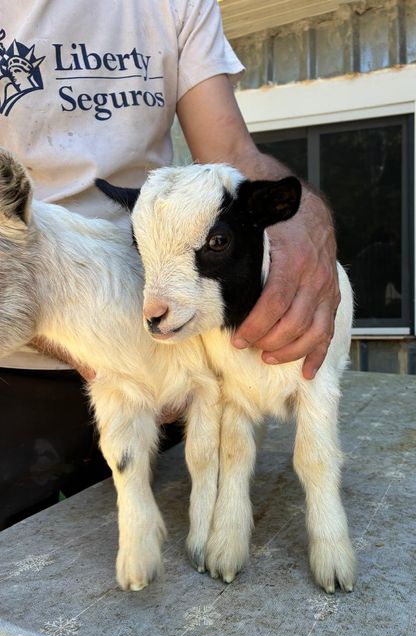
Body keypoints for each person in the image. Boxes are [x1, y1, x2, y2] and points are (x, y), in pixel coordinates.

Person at [0, 0, 340, 528]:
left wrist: (309, 220)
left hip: (174, 349)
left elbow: (229, 152)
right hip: (19, 374)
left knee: (194, 537)